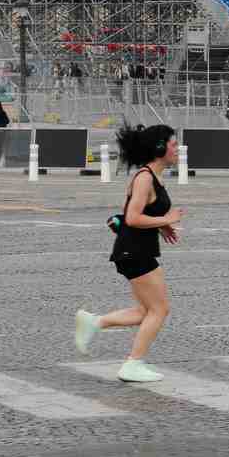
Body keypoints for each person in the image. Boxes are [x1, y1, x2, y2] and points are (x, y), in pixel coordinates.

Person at [72, 123, 183, 383]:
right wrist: (167, 218)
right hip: (134, 251)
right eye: (173, 144)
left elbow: (145, 211)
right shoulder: (145, 177)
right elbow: (133, 218)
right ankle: (133, 364)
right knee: (160, 309)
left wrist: (163, 225)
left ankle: (93, 322)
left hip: (134, 250)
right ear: (159, 148)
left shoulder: (152, 176)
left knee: (146, 311)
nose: (177, 149)